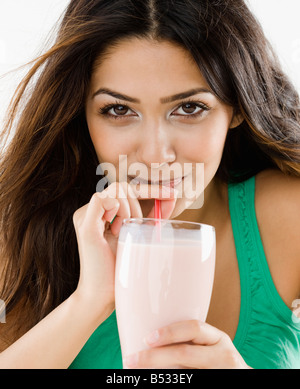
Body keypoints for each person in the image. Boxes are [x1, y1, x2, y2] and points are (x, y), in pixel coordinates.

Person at [0, 0, 299, 369]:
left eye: (189, 108)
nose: (156, 156)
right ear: (82, 114)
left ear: (237, 106)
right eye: (119, 110)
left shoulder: (289, 217)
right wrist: (91, 301)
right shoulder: (23, 230)